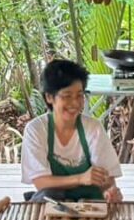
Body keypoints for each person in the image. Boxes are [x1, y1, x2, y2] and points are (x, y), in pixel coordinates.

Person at [22, 59, 122, 202]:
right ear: (49, 97)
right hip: (54, 206)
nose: (75, 103)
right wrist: (81, 178)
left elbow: (107, 181)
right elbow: (41, 183)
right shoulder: (36, 130)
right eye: (67, 96)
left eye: (80, 95)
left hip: (91, 208)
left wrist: (110, 192)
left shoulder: (93, 129)